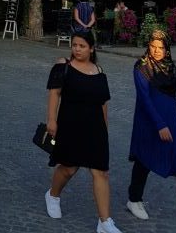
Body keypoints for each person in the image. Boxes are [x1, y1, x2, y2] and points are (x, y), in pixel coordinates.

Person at [44, 31, 123, 233]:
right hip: (70, 124)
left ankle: (104, 222)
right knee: (69, 168)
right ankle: (53, 195)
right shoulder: (63, 66)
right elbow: (54, 93)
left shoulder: (99, 71)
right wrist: (51, 120)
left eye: (82, 46)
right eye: (75, 45)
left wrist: (105, 129)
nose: (77, 49)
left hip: (95, 127)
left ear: (91, 48)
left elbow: (103, 103)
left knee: (101, 172)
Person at [126, 29, 176, 232]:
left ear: (167, 49)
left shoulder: (169, 67)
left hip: (172, 123)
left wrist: (172, 121)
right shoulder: (141, 68)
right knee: (143, 161)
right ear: (148, 46)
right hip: (150, 123)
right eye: (153, 46)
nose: (156, 51)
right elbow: (145, 99)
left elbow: (171, 97)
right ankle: (134, 199)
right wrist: (160, 125)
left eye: (161, 47)